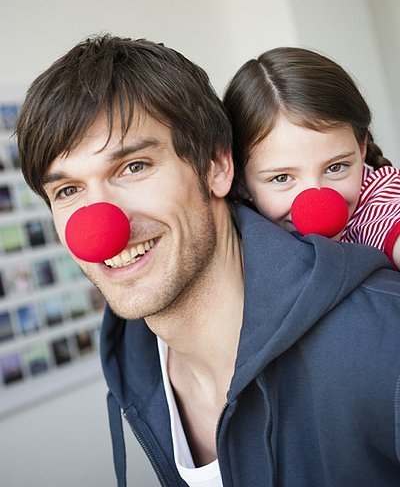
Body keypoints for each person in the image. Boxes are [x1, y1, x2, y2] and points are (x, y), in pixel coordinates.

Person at [16, 35, 400, 487]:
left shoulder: (383, 336)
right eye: (68, 190)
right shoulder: (135, 364)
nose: (100, 228)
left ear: (218, 165)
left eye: (134, 166)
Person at [223, 46, 400, 270]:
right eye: (282, 178)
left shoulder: (379, 201)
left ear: (361, 147)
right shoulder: (237, 231)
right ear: (240, 180)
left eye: (336, 167)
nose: (317, 201)